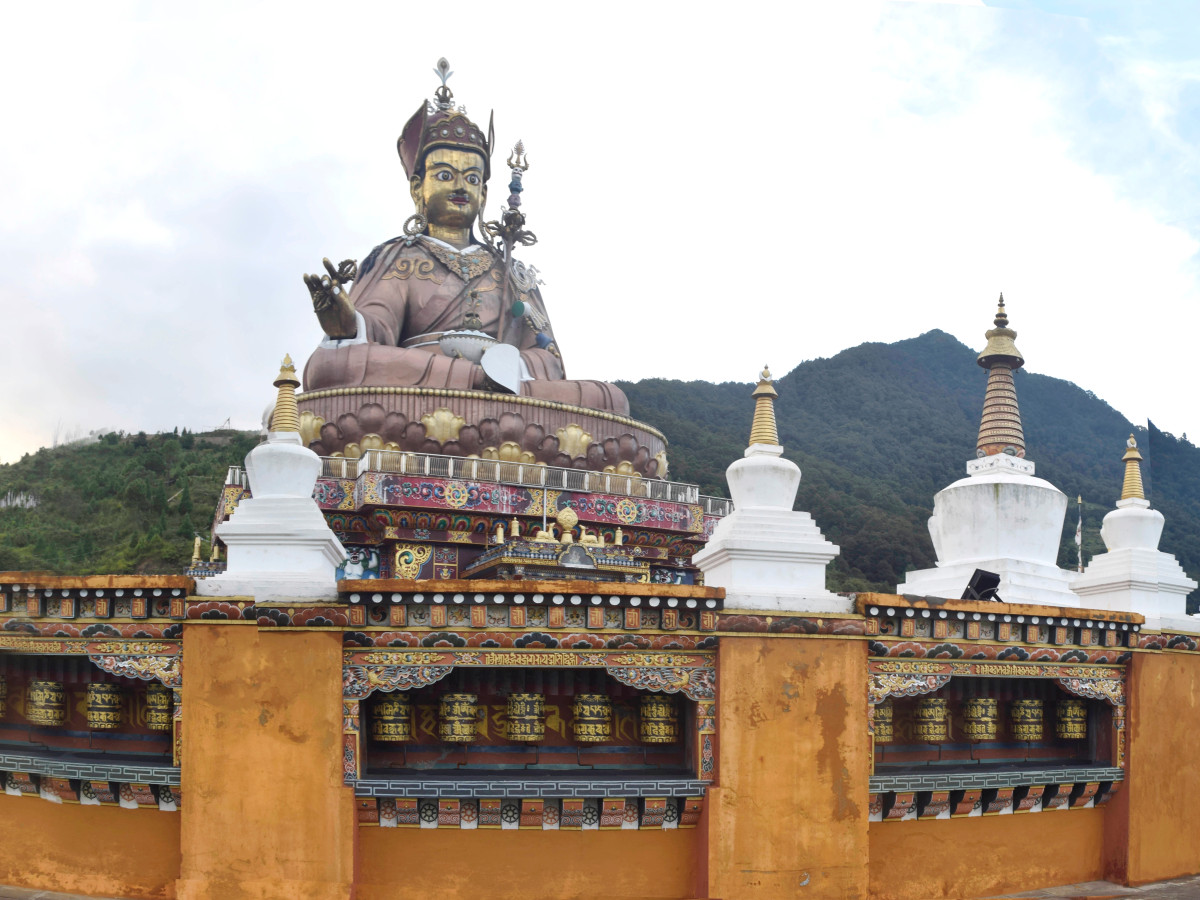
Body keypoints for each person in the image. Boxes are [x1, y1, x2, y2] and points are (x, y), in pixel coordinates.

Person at [301, 64, 628, 415]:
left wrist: (510, 365)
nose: (460, 187)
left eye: (472, 179)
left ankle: (485, 385)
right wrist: (347, 322)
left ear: (484, 195)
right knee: (331, 363)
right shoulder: (397, 257)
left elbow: (550, 359)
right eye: (445, 175)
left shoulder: (511, 271)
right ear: (417, 188)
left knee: (609, 398)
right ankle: (476, 384)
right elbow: (374, 329)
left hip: (506, 390)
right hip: (419, 393)